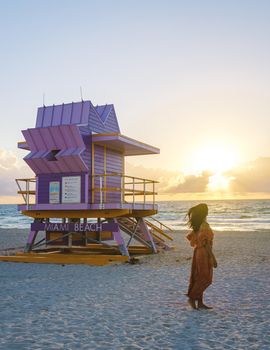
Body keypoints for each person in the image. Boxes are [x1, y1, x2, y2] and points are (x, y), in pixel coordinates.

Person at [186, 203, 217, 310]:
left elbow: (192, 237)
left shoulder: (199, 225)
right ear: (204, 212)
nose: (208, 211)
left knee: (199, 277)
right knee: (205, 278)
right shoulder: (204, 225)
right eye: (207, 209)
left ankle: (200, 303)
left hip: (198, 252)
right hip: (203, 252)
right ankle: (192, 298)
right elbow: (206, 243)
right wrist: (213, 257)